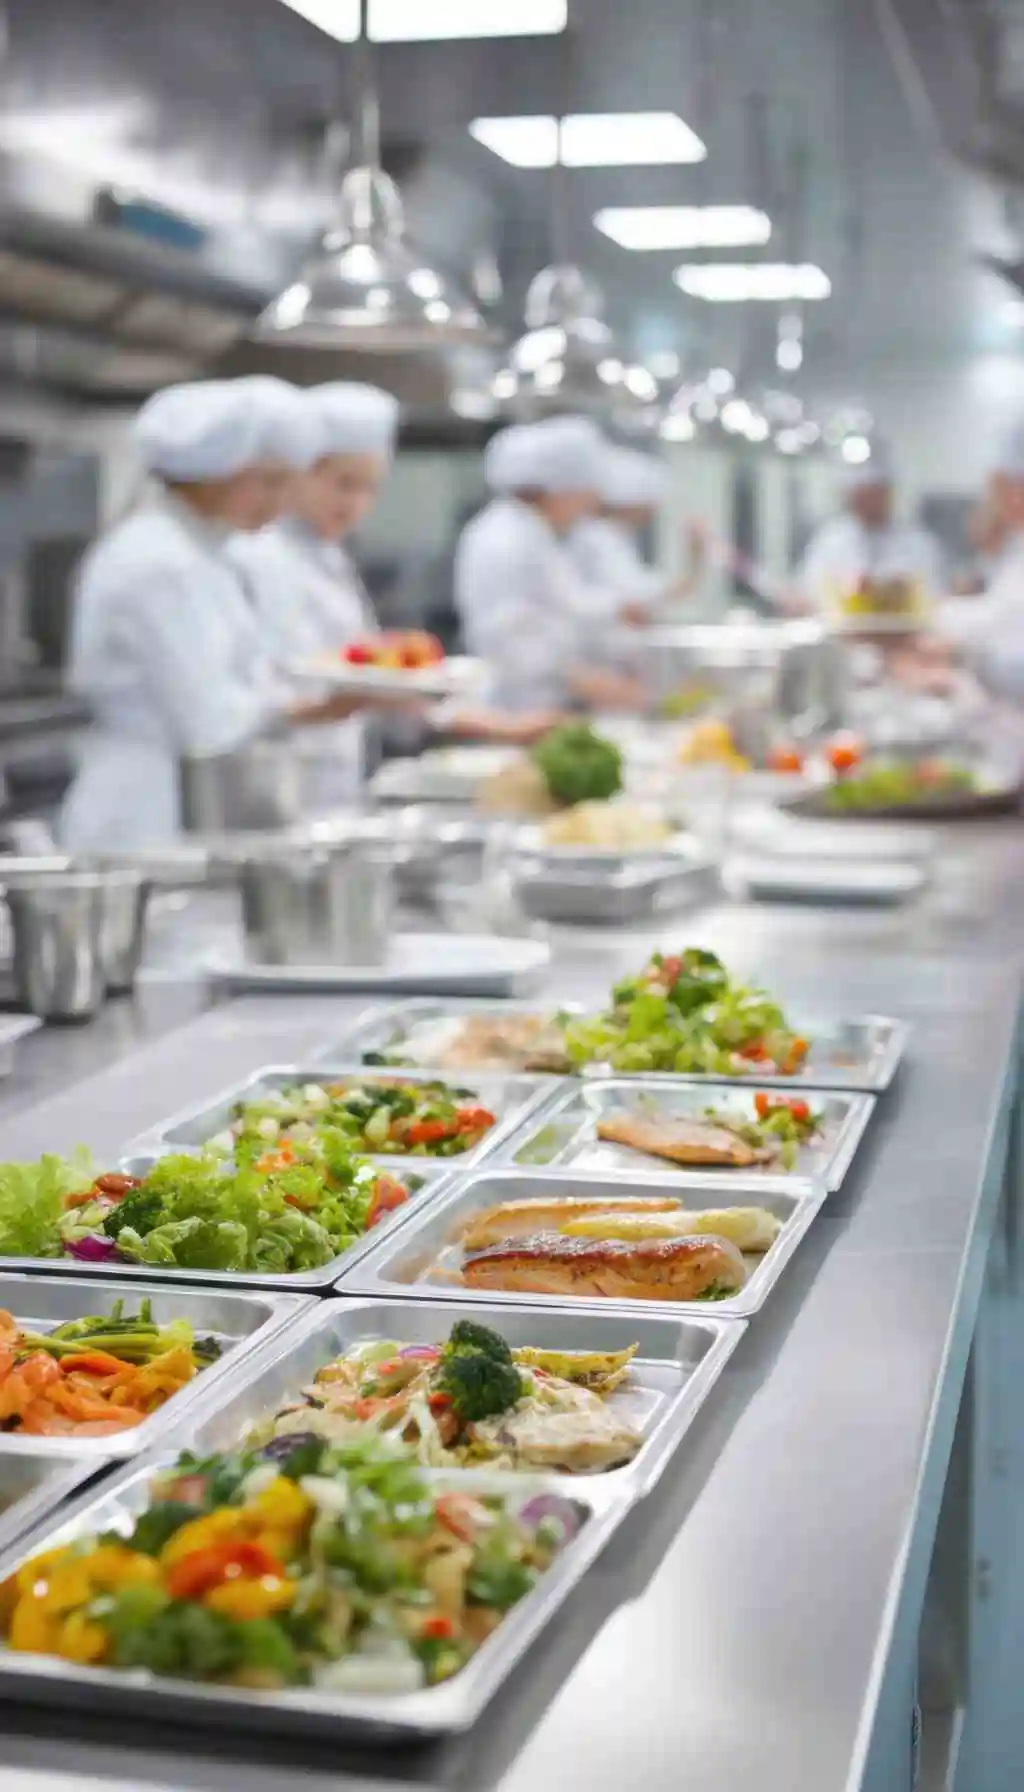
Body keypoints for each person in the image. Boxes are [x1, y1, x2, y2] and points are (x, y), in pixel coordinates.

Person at [59, 377, 364, 849]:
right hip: (140, 814)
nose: (281, 503)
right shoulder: (160, 560)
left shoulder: (204, 553)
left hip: (182, 802)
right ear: (217, 472)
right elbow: (210, 719)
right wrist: (321, 706)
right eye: (270, 482)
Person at [454, 417, 645, 713]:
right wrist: (587, 681)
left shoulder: (533, 533)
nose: (587, 506)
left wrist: (616, 610)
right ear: (558, 487)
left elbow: (562, 607)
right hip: (516, 707)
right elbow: (511, 641)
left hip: (543, 700)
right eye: (583, 493)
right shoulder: (506, 538)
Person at [228, 381, 397, 664]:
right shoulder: (260, 550)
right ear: (299, 472)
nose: (356, 505)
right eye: (345, 484)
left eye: (371, 489)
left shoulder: (328, 551)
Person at [797, 447, 944, 621]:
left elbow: (933, 596)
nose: (868, 502)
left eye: (874, 494)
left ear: (888, 495)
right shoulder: (830, 540)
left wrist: (891, 592)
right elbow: (810, 592)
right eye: (862, 495)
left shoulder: (919, 544)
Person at [568, 444, 706, 615]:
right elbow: (634, 599)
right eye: (648, 505)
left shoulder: (612, 537)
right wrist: (694, 563)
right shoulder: (596, 537)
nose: (650, 514)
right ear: (630, 502)